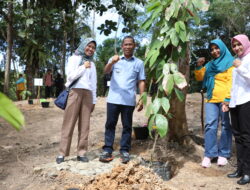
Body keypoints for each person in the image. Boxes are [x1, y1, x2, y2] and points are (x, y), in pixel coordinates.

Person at [99, 36, 146, 164]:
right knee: (110, 125)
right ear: (122, 46)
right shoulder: (115, 59)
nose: (128, 47)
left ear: (134, 46)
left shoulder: (139, 63)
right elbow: (105, 71)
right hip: (113, 99)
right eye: (125, 44)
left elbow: (141, 81)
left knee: (127, 126)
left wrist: (142, 98)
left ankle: (124, 150)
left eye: (130, 44)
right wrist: (111, 62)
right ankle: (108, 149)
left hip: (128, 100)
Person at [56, 37, 97, 164]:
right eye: (89, 46)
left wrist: (94, 101)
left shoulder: (93, 64)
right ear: (83, 45)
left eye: (93, 48)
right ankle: (62, 153)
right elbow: (70, 76)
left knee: (85, 125)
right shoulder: (74, 59)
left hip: (88, 95)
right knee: (68, 123)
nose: (90, 49)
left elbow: (93, 83)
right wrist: (83, 67)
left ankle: (82, 152)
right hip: (75, 92)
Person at [194, 39, 234, 168]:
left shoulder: (230, 62)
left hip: (225, 99)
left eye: (217, 48)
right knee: (210, 125)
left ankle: (224, 153)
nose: (214, 51)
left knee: (225, 126)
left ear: (222, 48)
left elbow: (231, 82)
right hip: (211, 99)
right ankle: (210, 154)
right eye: (211, 49)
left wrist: (227, 100)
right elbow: (200, 77)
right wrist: (199, 66)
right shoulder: (210, 64)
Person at [222, 34, 250, 185]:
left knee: (247, 137)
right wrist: (228, 101)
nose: (237, 47)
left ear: (245, 43)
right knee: (238, 137)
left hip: (247, 101)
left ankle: (248, 172)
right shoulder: (238, 60)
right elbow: (234, 85)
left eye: (239, 44)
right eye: (234, 45)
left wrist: (240, 68)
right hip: (236, 102)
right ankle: (240, 169)